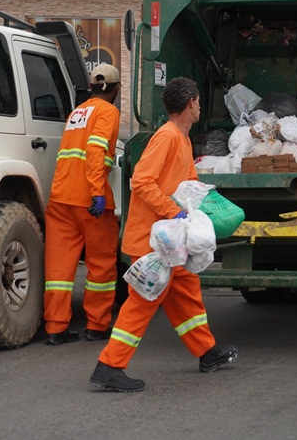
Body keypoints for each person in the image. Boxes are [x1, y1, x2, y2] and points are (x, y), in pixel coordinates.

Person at [90, 77, 238, 392]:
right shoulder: (167, 137)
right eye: (198, 102)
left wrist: (205, 209)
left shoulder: (182, 138)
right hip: (152, 241)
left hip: (170, 240)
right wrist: (175, 212)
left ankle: (206, 352)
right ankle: (109, 366)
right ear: (191, 103)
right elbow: (141, 182)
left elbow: (188, 186)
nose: (199, 106)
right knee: (143, 302)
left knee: (187, 291)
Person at [43, 63, 122, 345]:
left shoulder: (77, 111)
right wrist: (98, 192)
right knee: (100, 264)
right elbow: (95, 149)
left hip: (61, 197)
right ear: (115, 89)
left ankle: (55, 328)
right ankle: (97, 326)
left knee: (59, 269)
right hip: (90, 201)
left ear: (91, 88)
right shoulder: (108, 111)